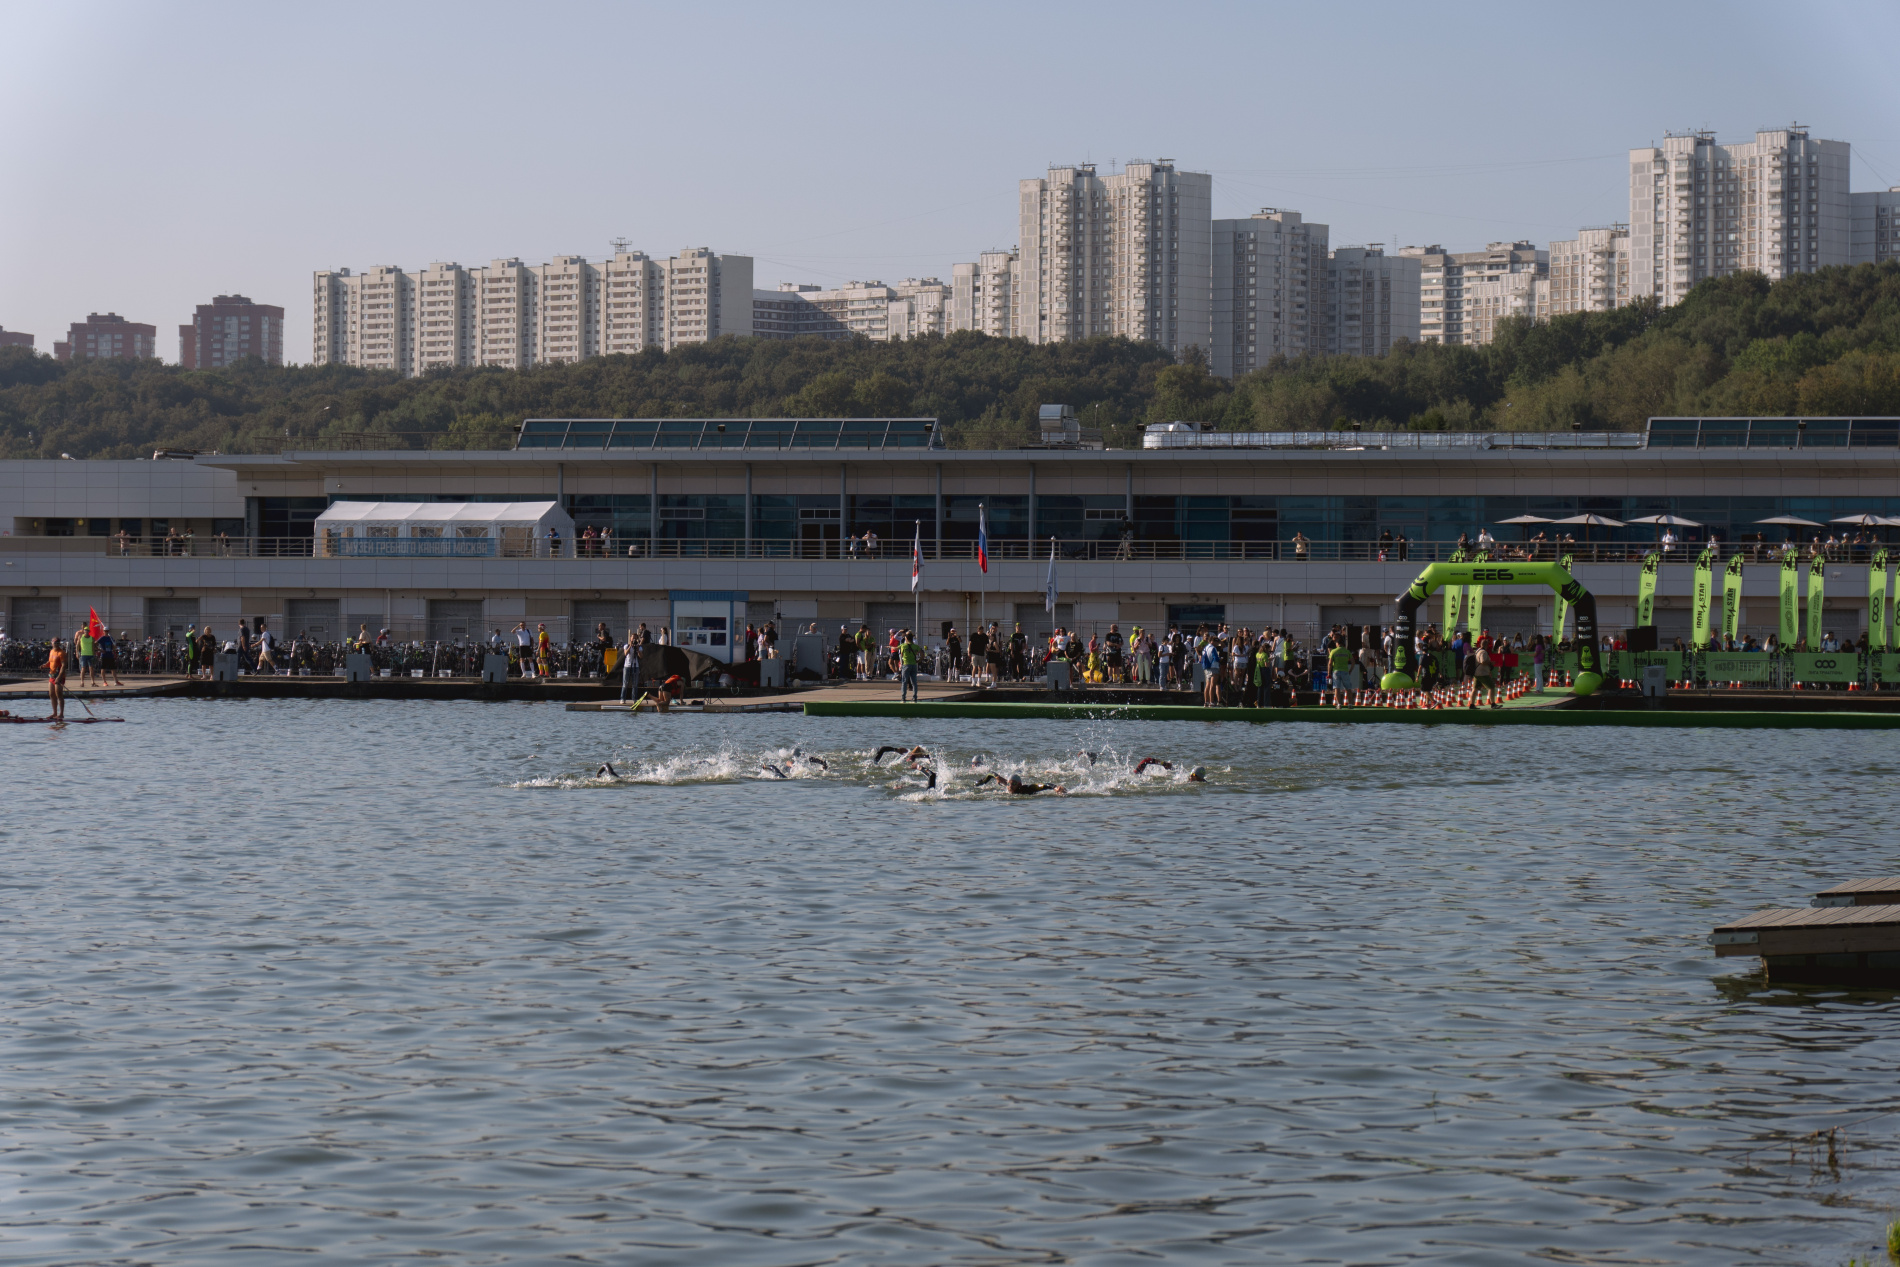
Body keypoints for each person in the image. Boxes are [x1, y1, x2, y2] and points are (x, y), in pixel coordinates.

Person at [44, 637, 67, 719]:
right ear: (52, 643)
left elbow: (64, 666)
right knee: (51, 694)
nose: (56, 644)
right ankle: (54, 713)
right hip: (52, 676)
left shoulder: (61, 653)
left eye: (57, 643)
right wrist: (44, 666)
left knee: (59, 695)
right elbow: (50, 662)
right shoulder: (51, 651)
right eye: (55, 643)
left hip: (59, 676)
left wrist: (59, 677)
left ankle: (61, 714)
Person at [898, 629, 922, 701]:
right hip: (914, 664)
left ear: (906, 638)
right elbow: (922, 653)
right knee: (914, 681)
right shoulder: (916, 646)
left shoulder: (903, 646)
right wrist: (919, 660)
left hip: (906, 664)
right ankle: (915, 696)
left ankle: (903, 697)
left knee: (904, 681)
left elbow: (901, 654)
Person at [619, 627, 641, 702]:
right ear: (630, 638)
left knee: (635, 684)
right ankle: (623, 699)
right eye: (633, 638)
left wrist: (637, 649)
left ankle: (634, 699)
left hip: (636, 665)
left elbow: (641, 656)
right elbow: (625, 653)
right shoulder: (626, 646)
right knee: (625, 683)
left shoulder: (639, 647)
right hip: (627, 666)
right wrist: (630, 646)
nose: (634, 639)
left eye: (635, 638)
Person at [75, 624, 97, 688]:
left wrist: (94, 654)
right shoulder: (81, 637)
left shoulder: (92, 638)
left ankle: (92, 681)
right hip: (83, 654)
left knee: (91, 668)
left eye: (87, 631)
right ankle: (82, 682)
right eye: (85, 631)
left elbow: (93, 647)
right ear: (83, 631)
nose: (86, 632)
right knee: (83, 668)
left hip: (90, 654)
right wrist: (77, 653)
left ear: (89, 631)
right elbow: (77, 645)